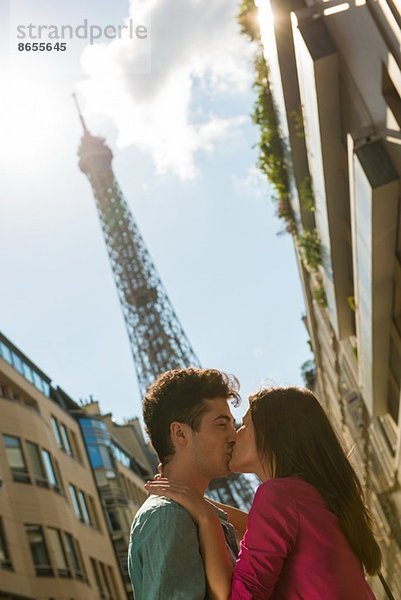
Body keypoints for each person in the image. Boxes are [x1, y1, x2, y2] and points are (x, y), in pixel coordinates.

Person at [146, 386, 381, 599]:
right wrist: (198, 501)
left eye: (245, 425)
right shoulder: (307, 493)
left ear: (270, 432)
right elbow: (256, 530)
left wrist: (205, 518)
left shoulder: (278, 495)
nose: (234, 435)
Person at [128, 367, 244, 600]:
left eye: (232, 424)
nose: (234, 435)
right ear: (180, 433)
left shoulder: (190, 512)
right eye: (221, 424)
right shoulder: (167, 516)